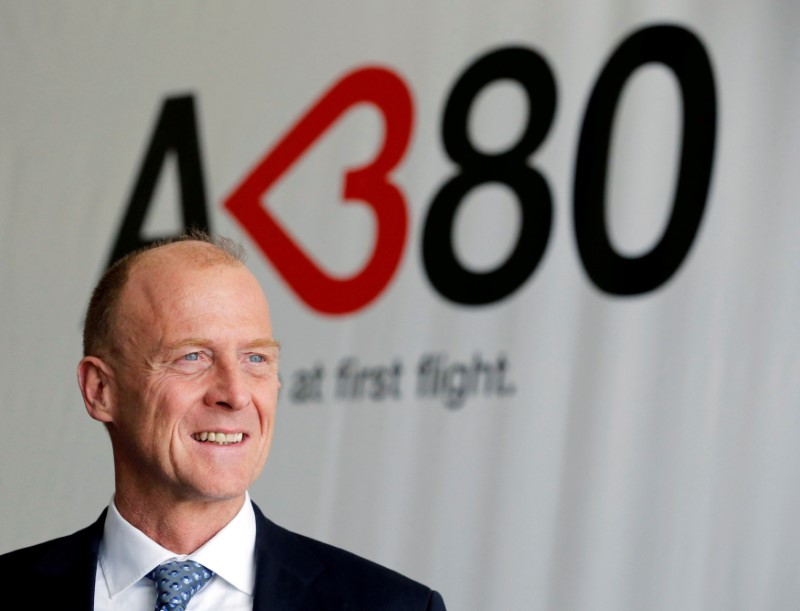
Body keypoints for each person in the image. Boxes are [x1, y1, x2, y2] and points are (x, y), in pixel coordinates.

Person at [0, 232, 446, 610]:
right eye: (192, 356)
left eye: (256, 358)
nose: (234, 394)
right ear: (101, 390)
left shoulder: (393, 605)